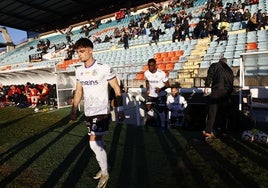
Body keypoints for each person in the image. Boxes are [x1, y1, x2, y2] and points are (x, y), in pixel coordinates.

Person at [70, 37, 125, 188]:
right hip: (88, 112)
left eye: (81, 51)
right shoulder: (79, 70)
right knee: (98, 143)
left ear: (90, 50)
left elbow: (116, 88)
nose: (79, 55)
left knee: (93, 144)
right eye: (77, 52)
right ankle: (103, 167)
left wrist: (120, 109)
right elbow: (79, 91)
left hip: (101, 111)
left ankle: (105, 174)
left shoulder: (104, 68)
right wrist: (74, 109)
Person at [203, 57, 234, 139]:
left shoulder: (215, 65)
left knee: (212, 112)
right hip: (226, 93)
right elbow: (231, 83)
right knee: (224, 112)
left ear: (219, 61)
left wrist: (207, 86)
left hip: (217, 91)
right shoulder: (230, 70)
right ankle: (223, 131)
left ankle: (208, 131)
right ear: (226, 62)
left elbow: (210, 75)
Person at [144, 58, 170, 129]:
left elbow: (168, 85)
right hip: (151, 95)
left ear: (155, 65)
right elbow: (147, 81)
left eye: (152, 65)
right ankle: (148, 126)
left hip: (161, 95)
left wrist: (160, 89)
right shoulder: (146, 73)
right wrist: (147, 89)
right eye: (149, 66)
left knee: (161, 112)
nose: (150, 67)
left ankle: (163, 126)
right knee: (148, 109)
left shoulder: (161, 73)